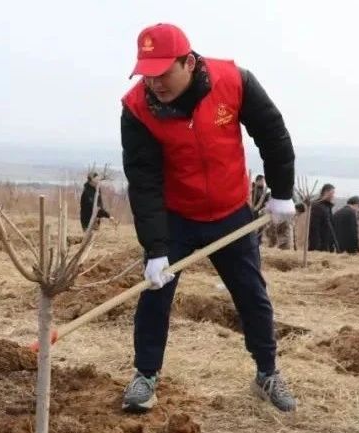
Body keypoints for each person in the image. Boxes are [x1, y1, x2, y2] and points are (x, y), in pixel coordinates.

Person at [120, 23, 297, 413]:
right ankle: (145, 376)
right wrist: (155, 248)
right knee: (155, 294)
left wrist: (282, 193)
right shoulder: (136, 108)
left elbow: (273, 134)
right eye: (148, 75)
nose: (156, 84)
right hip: (175, 215)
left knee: (251, 294)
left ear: (188, 61)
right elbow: (143, 180)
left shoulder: (233, 81)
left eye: (164, 73)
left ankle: (267, 372)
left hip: (230, 212)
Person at [307, 183, 337, 252]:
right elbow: (314, 228)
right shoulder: (318, 206)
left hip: (326, 244)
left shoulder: (327, 207)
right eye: (332, 193)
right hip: (320, 246)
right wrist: (316, 247)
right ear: (326, 192)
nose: (333, 196)